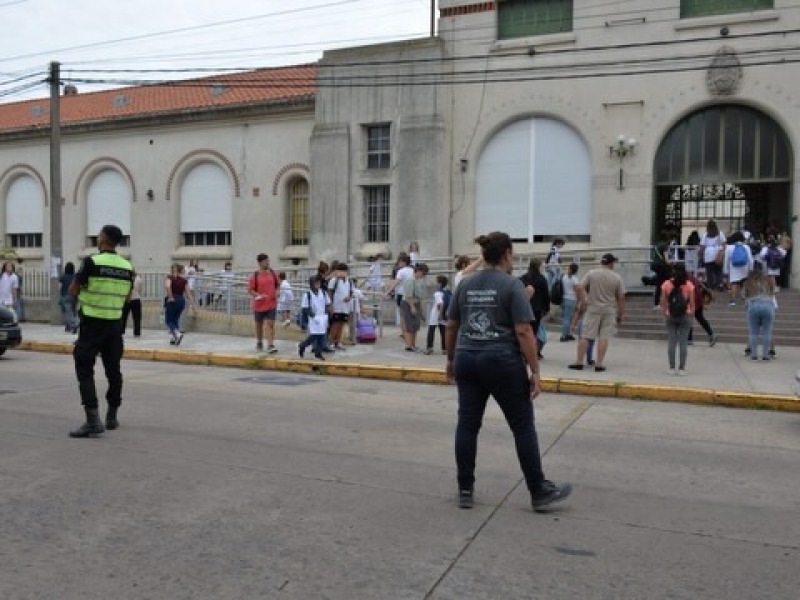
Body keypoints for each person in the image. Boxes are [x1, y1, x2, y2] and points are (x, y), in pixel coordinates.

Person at [445, 231, 572, 511]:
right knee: (522, 426)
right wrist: (535, 371)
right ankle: (538, 490)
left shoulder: (465, 284)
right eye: (512, 254)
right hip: (501, 360)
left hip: (467, 357)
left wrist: (451, 359)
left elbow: (452, 324)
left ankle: (465, 488)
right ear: (505, 255)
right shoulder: (511, 285)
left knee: (467, 424)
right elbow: (524, 330)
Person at [68, 224, 134, 438]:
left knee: (85, 369)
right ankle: (112, 416)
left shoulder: (92, 261)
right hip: (114, 326)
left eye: (98, 235)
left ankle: (92, 420)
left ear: (104, 239)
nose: (97, 238)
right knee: (113, 371)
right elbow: (127, 297)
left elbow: (73, 289)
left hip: (92, 325)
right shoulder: (127, 266)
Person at [569, 253, 625, 372]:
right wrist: (620, 313)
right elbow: (621, 297)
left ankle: (579, 362)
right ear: (611, 263)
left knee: (585, 335)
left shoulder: (591, 273)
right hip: (609, 310)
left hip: (592, 308)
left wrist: (583, 301)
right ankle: (599, 364)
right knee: (603, 337)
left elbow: (579, 287)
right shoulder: (617, 277)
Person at [659, 263, 695, 376]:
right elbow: (693, 303)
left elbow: (662, 301)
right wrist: (691, 315)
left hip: (671, 315)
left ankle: (671, 367)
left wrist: (665, 313)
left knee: (671, 342)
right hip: (685, 315)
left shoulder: (666, 284)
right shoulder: (689, 285)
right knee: (683, 342)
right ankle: (682, 368)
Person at [519, 257, 549, 359]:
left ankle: (522, 352)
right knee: (533, 333)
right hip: (536, 309)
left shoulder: (523, 278)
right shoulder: (541, 279)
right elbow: (546, 295)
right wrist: (546, 308)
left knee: (523, 331)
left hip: (523, 308)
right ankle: (532, 353)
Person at [248, 253, 279, 353]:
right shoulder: (254, 276)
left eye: (268, 261)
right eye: (266, 261)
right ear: (260, 263)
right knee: (259, 325)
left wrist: (277, 293)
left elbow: (277, 285)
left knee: (270, 324)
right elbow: (250, 290)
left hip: (271, 303)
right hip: (259, 304)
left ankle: (270, 344)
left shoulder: (273, 273)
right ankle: (259, 341)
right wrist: (258, 295)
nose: (268, 263)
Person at [743, 268, 776, 361]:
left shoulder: (748, 283)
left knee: (753, 332)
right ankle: (766, 355)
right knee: (767, 332)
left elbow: (744, 296)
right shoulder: (768, 282)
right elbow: (773, 293)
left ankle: (754, 355)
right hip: (768, 305)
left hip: (753, 305)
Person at [297, 275, 330, 360]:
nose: (318, 285)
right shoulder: (308, 295)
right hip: (314, 317)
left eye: (319, 283)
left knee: (321, 335)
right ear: (311, 284)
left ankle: (318, 352)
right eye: (316, 283)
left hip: (322, 316)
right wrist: (313, 316)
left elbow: (327, 303)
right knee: (314, 335)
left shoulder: (323, 293)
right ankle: (303, 345)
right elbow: (305, 307)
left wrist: (327, 314)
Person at [400, 263, 429, 351]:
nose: (423, 276)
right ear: (418, 271)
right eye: (423, 273)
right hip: (409, 303)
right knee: (409, 325)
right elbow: (408, 295)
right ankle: (408, 345)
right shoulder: (410, 280)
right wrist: (412, 306)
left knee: (415, 325)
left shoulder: (418, 280)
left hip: (416, 302)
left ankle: (413, 344)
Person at [723, 231, 753, 306]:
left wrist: (725, 270)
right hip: (744, 267)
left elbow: (726, 259)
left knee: (734, 283)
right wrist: (751, 268)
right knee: (745, 282)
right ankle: (746, 299)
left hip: (734, 268)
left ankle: (733, 300)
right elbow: (750, 259)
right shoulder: (746, 247)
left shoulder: (729, 247)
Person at [327, 263, 354, 350]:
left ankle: (338, 342)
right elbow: (330, 293)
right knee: (335, 324)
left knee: (342, 324)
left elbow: (351, 292)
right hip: (336, 306)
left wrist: (349, 297)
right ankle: (331, 342)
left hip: (345, 307)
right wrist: (330, 305)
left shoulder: (349, 281)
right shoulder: (333, 281)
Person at [164, 264, 193, 345]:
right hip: (181, 299)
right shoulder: (184, 280)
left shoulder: (170, 278)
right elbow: (188, 292)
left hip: (173, 299)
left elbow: (167, 286)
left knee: (169, 320)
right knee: (176, 319)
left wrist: (170, 297)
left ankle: (177, 334)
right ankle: (174, 338)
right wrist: (191, 304)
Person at [687, 271, 716, 347]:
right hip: (698, 301)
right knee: (700, 319)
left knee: (689, 320)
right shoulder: (692, 277)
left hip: (692, 301)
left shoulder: (686, 279)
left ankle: (689, 340)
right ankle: (711, 335)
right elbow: (701, 287)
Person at [700, 219, 726, 291]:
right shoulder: (720, 234)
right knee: (718, 271)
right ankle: (719, 284)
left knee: (709, 272)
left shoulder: (705, 235)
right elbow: (724, 245)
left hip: (708, 255)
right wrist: (722, 252)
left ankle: (711, 286)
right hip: (718, 254)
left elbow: (702, 246)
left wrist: (700, 254)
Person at [425, 275, 448, 355]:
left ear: (439, 284)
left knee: (431, 331)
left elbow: (440, 304)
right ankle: (445, 348)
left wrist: (440, 315)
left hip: (436, 314)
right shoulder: (447, 291)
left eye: (435, 281)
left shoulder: (437, 293)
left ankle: (429, 348)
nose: (434, 282)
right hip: (444, 314)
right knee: (443, 332)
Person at [560, 263, 580, 341]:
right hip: (572, 299)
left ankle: (568, 334)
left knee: (567, 317)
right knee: (567, 318)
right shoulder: (575, 279)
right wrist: (578, 301)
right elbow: (577, 291)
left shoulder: (564, 277)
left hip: (564, 298)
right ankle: (564, 335)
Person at [59, 261, 80, 333]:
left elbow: (60, 286)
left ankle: (74, 325)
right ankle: (69, 326)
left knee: (68, 312)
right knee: (74, 311)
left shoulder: (63, 277)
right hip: (75, 295)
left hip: (65, 295)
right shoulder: (75, 276)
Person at [122, 271, 143, 337]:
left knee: (124, 317)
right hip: (136, 299)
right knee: (137, 317)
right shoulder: (139, 279)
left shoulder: (125, 279)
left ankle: (121, 331)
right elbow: (140, 289)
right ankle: (137, 332)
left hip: (127, 299)